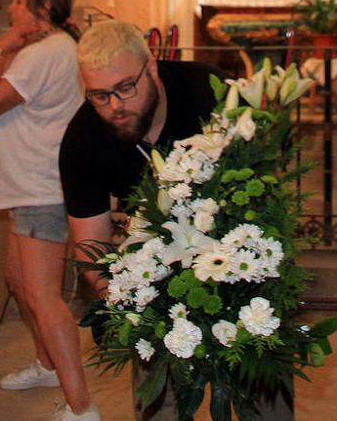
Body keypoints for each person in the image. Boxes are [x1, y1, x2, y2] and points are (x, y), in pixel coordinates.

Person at [58, 21, 222, 420]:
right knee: (156, 403)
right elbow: (93, 256)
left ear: (151, 68)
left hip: (230, 253)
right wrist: (133, 313)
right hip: (154, 273)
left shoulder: (207, 92)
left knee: (259, 386)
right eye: (99, 95)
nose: (115, 106)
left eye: (125, 88)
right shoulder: (83, 141)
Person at [0, 0, 98, 421]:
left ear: (42, 9)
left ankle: (81, 407)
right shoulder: (61, 47)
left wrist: (0, 48)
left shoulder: (41, 53)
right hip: (33, 186)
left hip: (39, 188)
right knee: (17, 280)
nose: (11, 8)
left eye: (20, 1)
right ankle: (48, 364)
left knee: (44, 297)